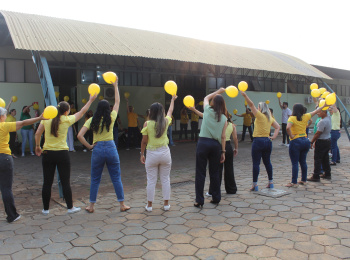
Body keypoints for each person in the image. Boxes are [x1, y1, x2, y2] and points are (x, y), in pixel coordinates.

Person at [35, 95, 97, 215]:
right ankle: (70, 207)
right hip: (62, 154)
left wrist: (38, 146)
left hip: (47, 153)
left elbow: (38, 133)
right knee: (65, 181)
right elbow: (82, 111)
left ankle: (45, 209)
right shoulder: (67, 120)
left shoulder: (46, 118)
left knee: (47, 182)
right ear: (66, 111)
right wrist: (90, 100)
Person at [78, 79, 130, 213]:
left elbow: (79, 135)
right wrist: (115, 86)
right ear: (108, 109)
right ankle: (122, 205)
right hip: (111, 148)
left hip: (98, 149)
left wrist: (89, 146)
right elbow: (118, 102)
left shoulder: (91, 120)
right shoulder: (111, 118)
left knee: (95, 179)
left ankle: (91, 206)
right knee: (116, 178)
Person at [0, 107, 44, 222]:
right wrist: (39, 118)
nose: (5, 117)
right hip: (4, 159)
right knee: (6, 188)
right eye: (4, 115)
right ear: (1, 117)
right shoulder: (3, 125)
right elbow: (24, 123)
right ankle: (12, 215)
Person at [140, 95, 177, 212]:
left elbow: (144, 141)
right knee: (165, 179)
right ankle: (166, 204)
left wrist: (142, 154)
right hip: (165, 153)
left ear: (151, 112)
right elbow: (170, 111)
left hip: (151, 154)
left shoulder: (147, 124)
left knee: (151, 181)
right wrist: (172, 100)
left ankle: (149, 206)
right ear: (162, 112)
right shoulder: (166, 121)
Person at [190, 107, 238, 195]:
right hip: (229, 147)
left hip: (220, 146)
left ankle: (213, 191)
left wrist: (194, 110)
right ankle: (232, 189)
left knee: (217, 170)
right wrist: (236, 148)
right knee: (229, 169)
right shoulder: (232, 125)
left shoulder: (218, 122)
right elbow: (235, 138)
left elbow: (203, 115)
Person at [194, 88, 227, 207]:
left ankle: (199, 200)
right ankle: (216, 198)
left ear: (213, 103)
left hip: (203, 143)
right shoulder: (224, 118)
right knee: (214, 173)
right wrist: (223, 151)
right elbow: (223, 137)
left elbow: (205, 98)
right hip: (216, 146)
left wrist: (218, 91)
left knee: (200, 172)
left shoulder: (207, 110)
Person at [241, 92, 280, 191]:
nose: (257, 108)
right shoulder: (270, 118)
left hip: (258, 141)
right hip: (267, 141)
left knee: (256, 163)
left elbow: (251, 105)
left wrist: (245, 96)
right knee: (267, 162)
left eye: (258, 107)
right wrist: (273, 137)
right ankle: (271, 182)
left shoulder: (259, 115)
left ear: (260, 108)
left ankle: (255, 185)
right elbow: (278, 127)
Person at [285, 104, 323, 187]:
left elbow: (288, 128)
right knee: (303, 162)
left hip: (295, 141)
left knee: (295, 163)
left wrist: (291, 136)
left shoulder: (291, 118)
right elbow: (316, 110)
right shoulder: (305, 116)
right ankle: (304, 180)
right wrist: (324, 105)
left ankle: (294, 182)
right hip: (305, 141)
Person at [307, 107, 332, 181]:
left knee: (318, 159)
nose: (317, 113)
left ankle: (316, 176)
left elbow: (318, 133)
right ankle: (327, 174)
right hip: (327, 140)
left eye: (319, 112)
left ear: (324, 112)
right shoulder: (328, 118)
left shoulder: (322, 121)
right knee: (325, 158)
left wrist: (312, 141)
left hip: (321, 141)